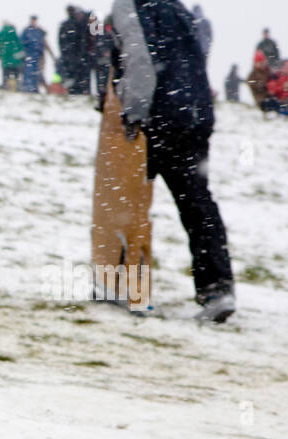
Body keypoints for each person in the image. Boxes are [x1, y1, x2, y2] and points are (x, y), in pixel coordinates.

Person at [110, 0, 234, 323]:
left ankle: (124, 282)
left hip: (159, 116)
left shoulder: (130, 5)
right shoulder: (180, 9)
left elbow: (138, 60)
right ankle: (217, 287)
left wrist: (133, 112)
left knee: (129, 200)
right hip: (194, 113)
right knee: (197, 202)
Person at [20, 15, 45, 93]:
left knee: (36, 72)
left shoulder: (38, 31)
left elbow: (41, 42)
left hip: (36, 55)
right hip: (29, 54)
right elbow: (22, 41)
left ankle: (34, 88)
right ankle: (28, 88)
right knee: (28, 71)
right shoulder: (26, 30)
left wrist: (40, 52)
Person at [0, 19, 23, 89]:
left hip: (6, 58)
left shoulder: (1, 33)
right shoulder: (14, 31)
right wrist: (21, 54)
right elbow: (19, 44)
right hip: (15, 59)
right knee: (16, 76)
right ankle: (16, 87)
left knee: (6, 76)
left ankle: (6, 86)